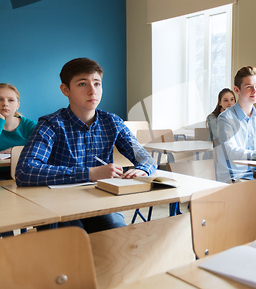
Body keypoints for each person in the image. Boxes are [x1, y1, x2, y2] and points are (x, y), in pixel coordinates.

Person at [15, 58, 157, 233]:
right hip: (58, 204)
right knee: (74, 239)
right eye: (82, 84)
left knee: (117, 234)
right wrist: (90, 173)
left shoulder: (112, 121)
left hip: (100, 202)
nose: (92, 91)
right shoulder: (50, 124)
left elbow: (145, 158)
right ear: (65, 90)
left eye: (97, 84)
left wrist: (143, 169)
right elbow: (25, 171)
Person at [0, 83, 37, 175]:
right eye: (0, 99)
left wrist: (15, 150)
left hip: (25, 176)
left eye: (11, 100)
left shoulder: (30, 125)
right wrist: (1, 122)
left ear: (17, 105)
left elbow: (43, 149)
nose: (5, 104)